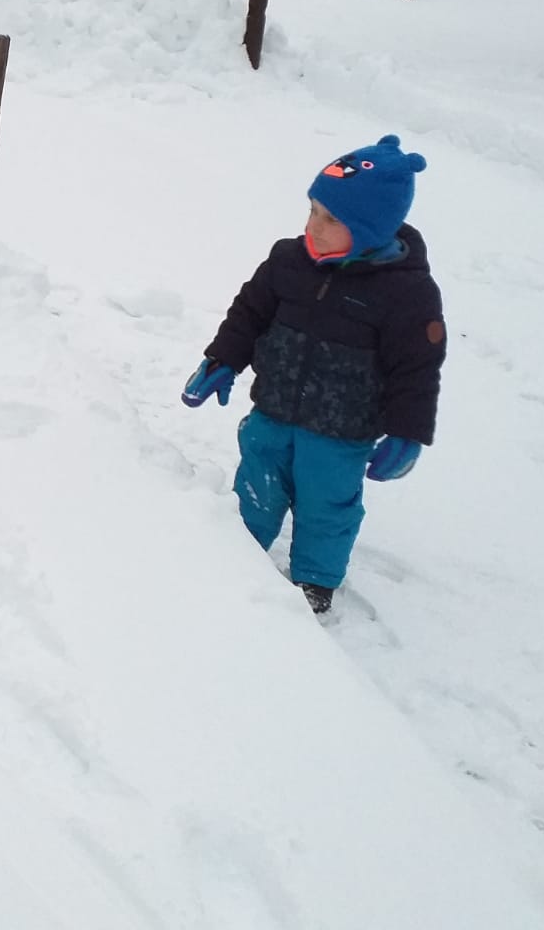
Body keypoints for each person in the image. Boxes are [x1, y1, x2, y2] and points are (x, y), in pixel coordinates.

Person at [181, 135, 445, 614]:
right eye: (313, 210)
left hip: (342, 431)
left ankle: (315, 581)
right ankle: (234, 553)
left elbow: (417, 370)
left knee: (327, 505)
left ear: (371, 229)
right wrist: (222, 359)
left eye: (331, 220)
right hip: (274, 408)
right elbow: (250, 314)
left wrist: (408, 432)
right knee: (257, 481)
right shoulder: (288, 260)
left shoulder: (407, 293)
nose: (314, 227)